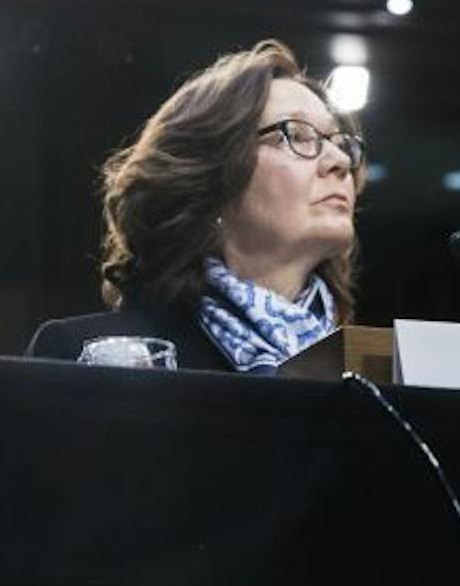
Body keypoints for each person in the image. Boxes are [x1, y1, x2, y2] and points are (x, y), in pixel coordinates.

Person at [26, 40, 361, 373]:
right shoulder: (93, 357)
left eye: (339, 142)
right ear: (209, 176)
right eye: (297, 135)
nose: (341, 160)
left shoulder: (376, 372)